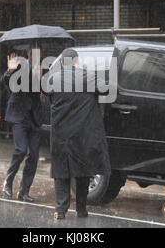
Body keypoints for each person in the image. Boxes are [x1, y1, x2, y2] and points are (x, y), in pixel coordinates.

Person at [45, 48, 111, 220]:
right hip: (83, 133)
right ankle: (81, 209)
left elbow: (49, 99)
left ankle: (60, 210)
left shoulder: (52, 79)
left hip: (61, 134)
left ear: (61, 63)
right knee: (83, 171)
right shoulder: (89, 77)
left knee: (61, 171)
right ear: (77, 62)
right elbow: (107, 89)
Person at [1, 44, 43, 203]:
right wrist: (10, 71)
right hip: (19, 115)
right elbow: (4, 81)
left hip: (35, 118)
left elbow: (46, 90)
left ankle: (24, 191)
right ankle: (8, 181)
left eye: (39, 54)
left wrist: (42, 80)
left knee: (34, 155)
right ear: (28, 54)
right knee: (21, 149)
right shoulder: (19, 65)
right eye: (33, 54)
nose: (36, 56)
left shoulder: (43, 68)